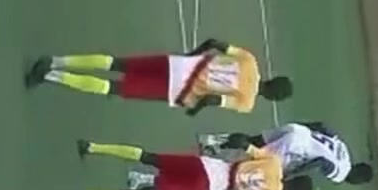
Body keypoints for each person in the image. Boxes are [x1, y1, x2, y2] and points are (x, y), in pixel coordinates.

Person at [26, 43, 291, 113]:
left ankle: (58, 60)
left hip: (179, 65)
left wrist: (190, 57)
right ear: (272, 98)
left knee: (117, 63)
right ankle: (51, 75)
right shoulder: (246, 103)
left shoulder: (250, 61)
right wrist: (193, 109)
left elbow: (214, 43)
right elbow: (212, 100)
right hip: (177, 89)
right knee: (112, 88)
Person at [74, 138, 295, 190]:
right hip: (210, 189)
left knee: (150, 158)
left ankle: (93, 147)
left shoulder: (274, 162)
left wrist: (224, 143)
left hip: (210, 166)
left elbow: (243, 144)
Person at [202, 121, 372, 187]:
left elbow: (321, 126)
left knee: (255, 141)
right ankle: (214, 166)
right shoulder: (340, 174)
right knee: (258, 159)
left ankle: (213, 141)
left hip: (299, 130)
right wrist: (293, 173)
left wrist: (301, 129)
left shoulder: (344, 151)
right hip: (295, 146)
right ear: (357, 178)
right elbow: (321, 161)